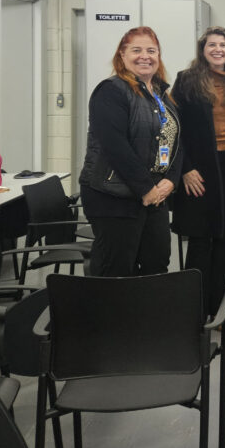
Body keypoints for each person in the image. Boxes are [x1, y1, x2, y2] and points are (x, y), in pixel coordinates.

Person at [80, 27, 181, 277]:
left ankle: (145, 306)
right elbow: (115, 146)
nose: (145, 56)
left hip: (155, 195)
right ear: (122, 55)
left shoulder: (160, 94)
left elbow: (176, 140)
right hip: (114, 196)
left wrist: (171, 180)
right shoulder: (111, 91)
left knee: (157, 264)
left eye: (151, 51)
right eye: (136, 50)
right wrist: (146, 188)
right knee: (117, 271)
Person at [172, 27, 225, 317]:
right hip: (199, 169)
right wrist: (185, 169)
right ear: (203, 49)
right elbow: (174, 129)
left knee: (223, 238)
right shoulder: (186, 80)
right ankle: (193, 311)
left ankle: (220, 309)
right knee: (199, 239)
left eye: (223, 45)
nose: (218, 49)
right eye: (212, 45)